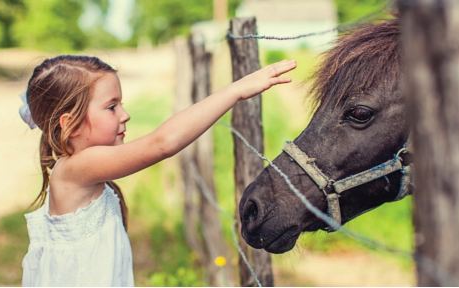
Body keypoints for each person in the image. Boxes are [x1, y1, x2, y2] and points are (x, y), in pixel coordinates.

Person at [19, 55, 297, 287]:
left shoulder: (79, 167)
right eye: (112, 106)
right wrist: (236, 91)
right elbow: (162, 143)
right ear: (72, 123)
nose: (125, 114)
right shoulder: (77, 167)